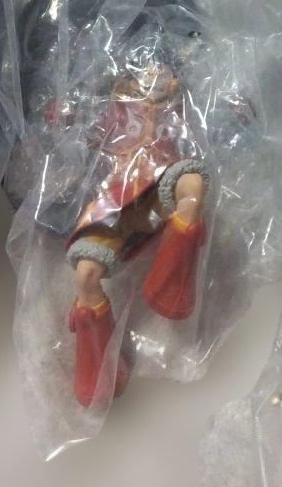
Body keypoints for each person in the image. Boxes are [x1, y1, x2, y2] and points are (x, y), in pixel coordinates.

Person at [64, 46, 208, 407]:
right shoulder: (109, 110)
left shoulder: (180, 108)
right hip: (117, 196)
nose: (152, 77)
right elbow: (77, 127)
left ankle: (168, 289)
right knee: (86, 273)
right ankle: (99, 367)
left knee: (192, 186)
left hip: (162, 183)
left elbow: (216, 118)